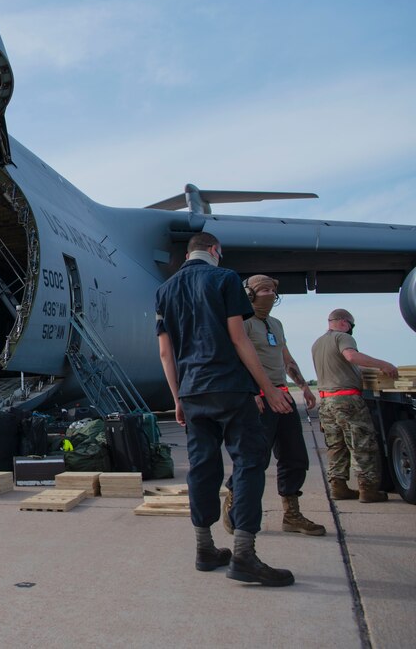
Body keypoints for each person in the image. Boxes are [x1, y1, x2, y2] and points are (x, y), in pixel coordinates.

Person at [155, 232, 295, 587]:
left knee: (202, 468)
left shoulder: (164, 290)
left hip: (192, 393)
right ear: (214, 251)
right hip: (230, 388)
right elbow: (238, 337)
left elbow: (165, 353)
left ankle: (205, 550)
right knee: (249, 463)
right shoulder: (225, 278)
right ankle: (244, 556)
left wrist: (177, 399)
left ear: (188, 254)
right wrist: (268, 388)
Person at [220, 275, 325, 537]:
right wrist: (253, 392)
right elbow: (235, 360)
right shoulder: (242, 323)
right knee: (254, 457)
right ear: (250, 294)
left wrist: (302, 386)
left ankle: (292, 514)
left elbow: (286, 359)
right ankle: (235, 504)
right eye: (263, 290)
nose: (269, 294)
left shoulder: (275, 324)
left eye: (272, 290)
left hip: (282, 395)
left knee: (295, 456)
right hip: (259, 399)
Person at [311, 309, 399, 502]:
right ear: (344, 322)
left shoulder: (318, 343)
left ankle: (338, 487)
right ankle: (368, 490)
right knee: (362, 444)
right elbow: (351, 357)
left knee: (336, 446)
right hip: (347, 400)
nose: (351, 330)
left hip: (326, 402)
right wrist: (384, 364)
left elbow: (348, 365)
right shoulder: (343, 337)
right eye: (352, 325)